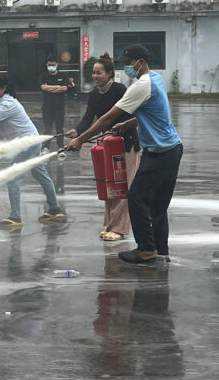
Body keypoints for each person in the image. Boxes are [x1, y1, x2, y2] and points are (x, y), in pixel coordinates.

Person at [64, 44, 183, 264]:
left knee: (136, 197)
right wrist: (127, 124)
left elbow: (107, 118)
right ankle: (161, 251)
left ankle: (146, 250)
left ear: (140, 62)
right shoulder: (156, 79)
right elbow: (150, 114)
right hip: (172, 148)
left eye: (128, 63)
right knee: (157, 204)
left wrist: (80, 139)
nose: (127, 67)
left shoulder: (141, 86)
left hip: (160, 152)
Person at [0, 75, 64, 228]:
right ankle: (54, 210)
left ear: (4, 88)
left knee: (13, 178)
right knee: (40, 174)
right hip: (29, 141)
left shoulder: (8, 104)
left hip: (26, 143)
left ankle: (15, 217)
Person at [66, 52, 140, 242]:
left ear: (109, 74)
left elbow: (123, 117)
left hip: (126, 144)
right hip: (107, 145)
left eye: (99, 73)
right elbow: (88, 119)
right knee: (109, 187)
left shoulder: (120, 90)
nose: (95, 76)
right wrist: (77, 131)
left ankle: (119, 229)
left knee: (123, 187)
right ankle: (108, 225)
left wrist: (82, 139)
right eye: (93, 73)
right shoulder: (93, 95)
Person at [40, 56, 74, 152]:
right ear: (46, 65)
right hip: (47, 107)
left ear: (57, 64)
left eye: (53, 65)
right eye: (49, 65)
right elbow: (43, 88)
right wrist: (58, 87)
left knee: (59, 128)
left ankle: (60, 147)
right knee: (47, 128)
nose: (51, 66)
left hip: (59, 107)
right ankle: (46, 147)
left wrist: (49, 88)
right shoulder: (44, 76)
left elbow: (64, 88)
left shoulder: (63, 76)